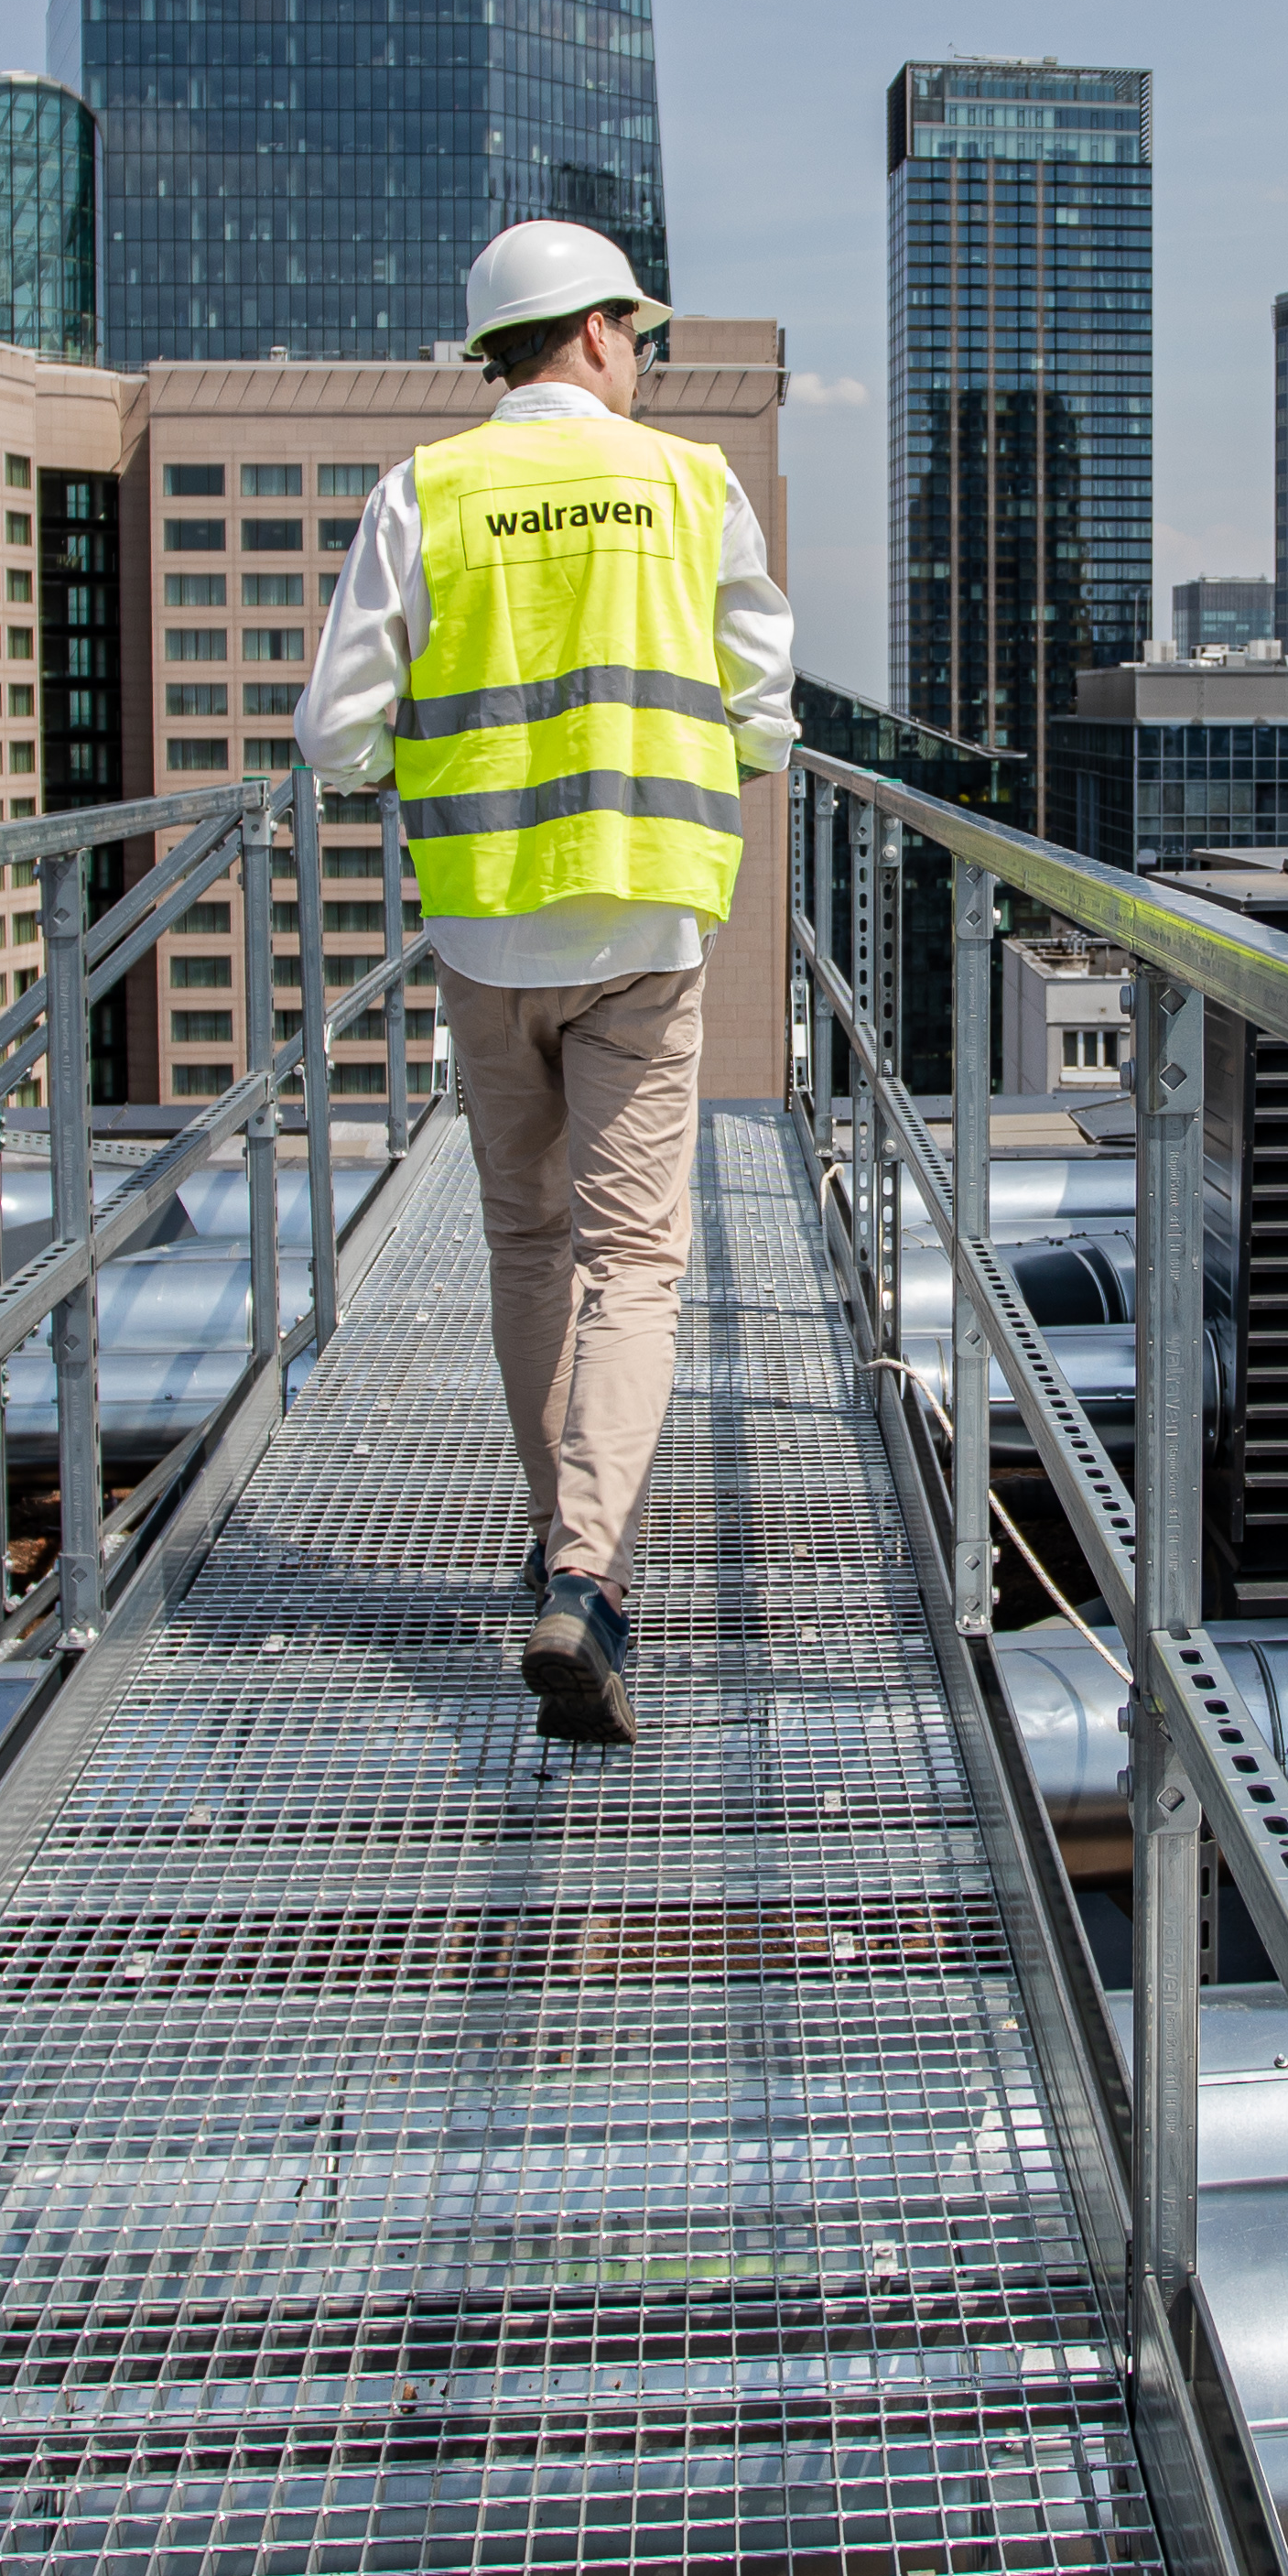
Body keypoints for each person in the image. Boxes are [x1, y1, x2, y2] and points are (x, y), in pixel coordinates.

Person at [300, 219, 796, 1745]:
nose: (643, 356)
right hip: (642, 924)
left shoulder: (424, 491)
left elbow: (334, 734)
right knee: (635, 1260)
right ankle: (587, 1570)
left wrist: (425, 763)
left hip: (486, 927)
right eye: (635, 331)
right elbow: (766, 709)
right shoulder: (689, 483)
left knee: (529, 1240)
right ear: (589, 330)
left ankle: (558, 1545)